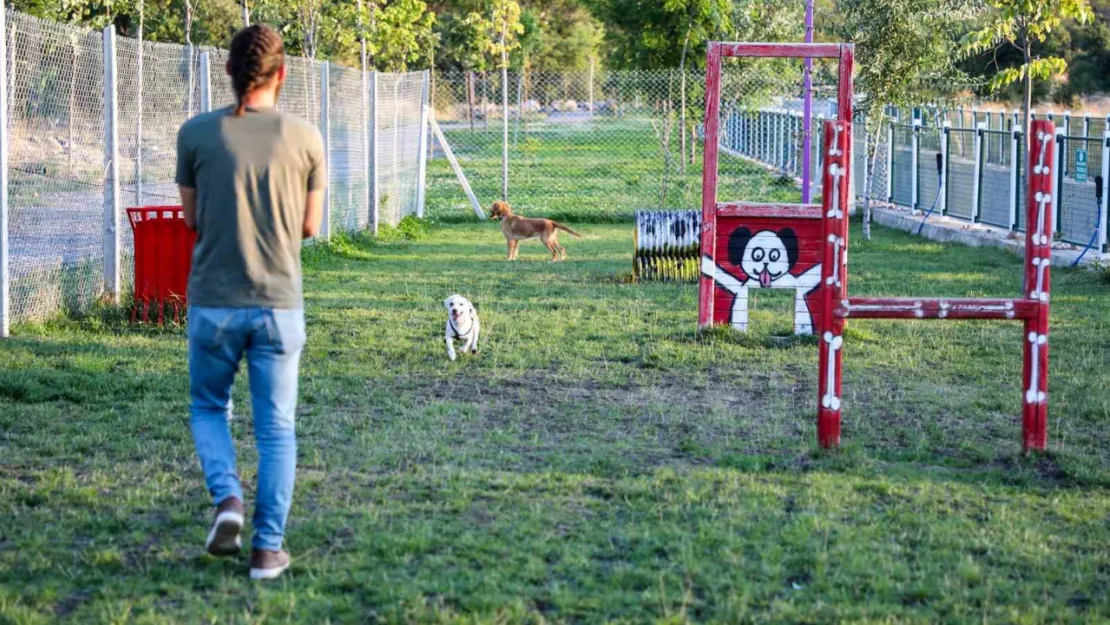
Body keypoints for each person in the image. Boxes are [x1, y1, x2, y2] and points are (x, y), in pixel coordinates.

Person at [175, 24, 326, 581]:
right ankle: (267, 551)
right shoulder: (306, 137)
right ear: (282, 74)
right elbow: (310, 225)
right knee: (277, 428)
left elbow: (191, 219)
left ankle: (228, 501)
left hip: (212, 303)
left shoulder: (194, 134)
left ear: (229, 72)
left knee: (209, 407)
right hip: (279, 304)